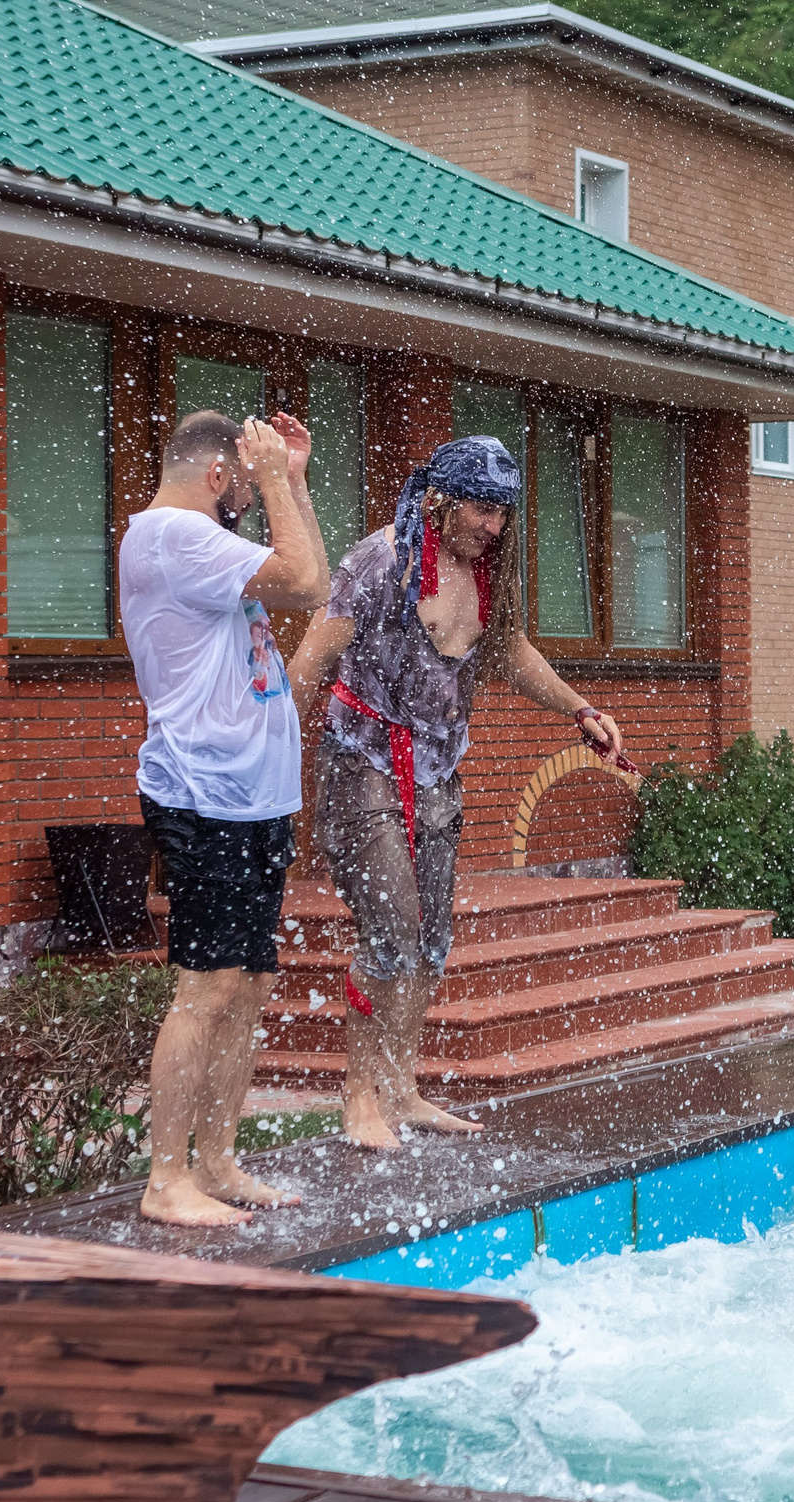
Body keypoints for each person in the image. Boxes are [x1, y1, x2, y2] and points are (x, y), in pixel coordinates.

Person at [288, 436, 627, 1149]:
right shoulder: (380, 563)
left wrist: (581, 710)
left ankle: (401, 1090)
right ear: (440, 498)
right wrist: (265, 764)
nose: (493, 527)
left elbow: (508, 651)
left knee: (430, 941)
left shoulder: (487, 571)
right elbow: (310, 661)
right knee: (390, 928)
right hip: (362, 766)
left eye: (502, 513)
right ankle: (358, 1101)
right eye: (482, 508)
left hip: (439, 773)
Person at [122, 409, 331, 1226]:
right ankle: (165, 1178)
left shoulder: (196, 539)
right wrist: (274, 480)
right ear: (216, 477)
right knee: (204, 988)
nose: (248, 502)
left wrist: (295, 481)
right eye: (242, 488)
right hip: (201, 794)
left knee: (247, 985)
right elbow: (307, 582)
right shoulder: (175, 535)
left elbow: (311, 572)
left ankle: (216, 1160)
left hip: (251, 797)